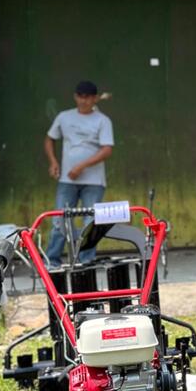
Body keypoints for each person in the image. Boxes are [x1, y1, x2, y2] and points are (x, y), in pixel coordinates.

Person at [44, 80, 114, 266]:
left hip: (94, 181)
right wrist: (53, 162)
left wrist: (81, 166)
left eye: (88, 97)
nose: (84, 101)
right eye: (81, 97)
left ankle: (86, 261)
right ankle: (52, 261)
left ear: (95, 99)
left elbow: (107, 150)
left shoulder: (102, 120)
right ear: (76, 97)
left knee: (90, 223)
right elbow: (50, 139)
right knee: (60, 221)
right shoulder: (64, 117)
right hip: (67, 180)